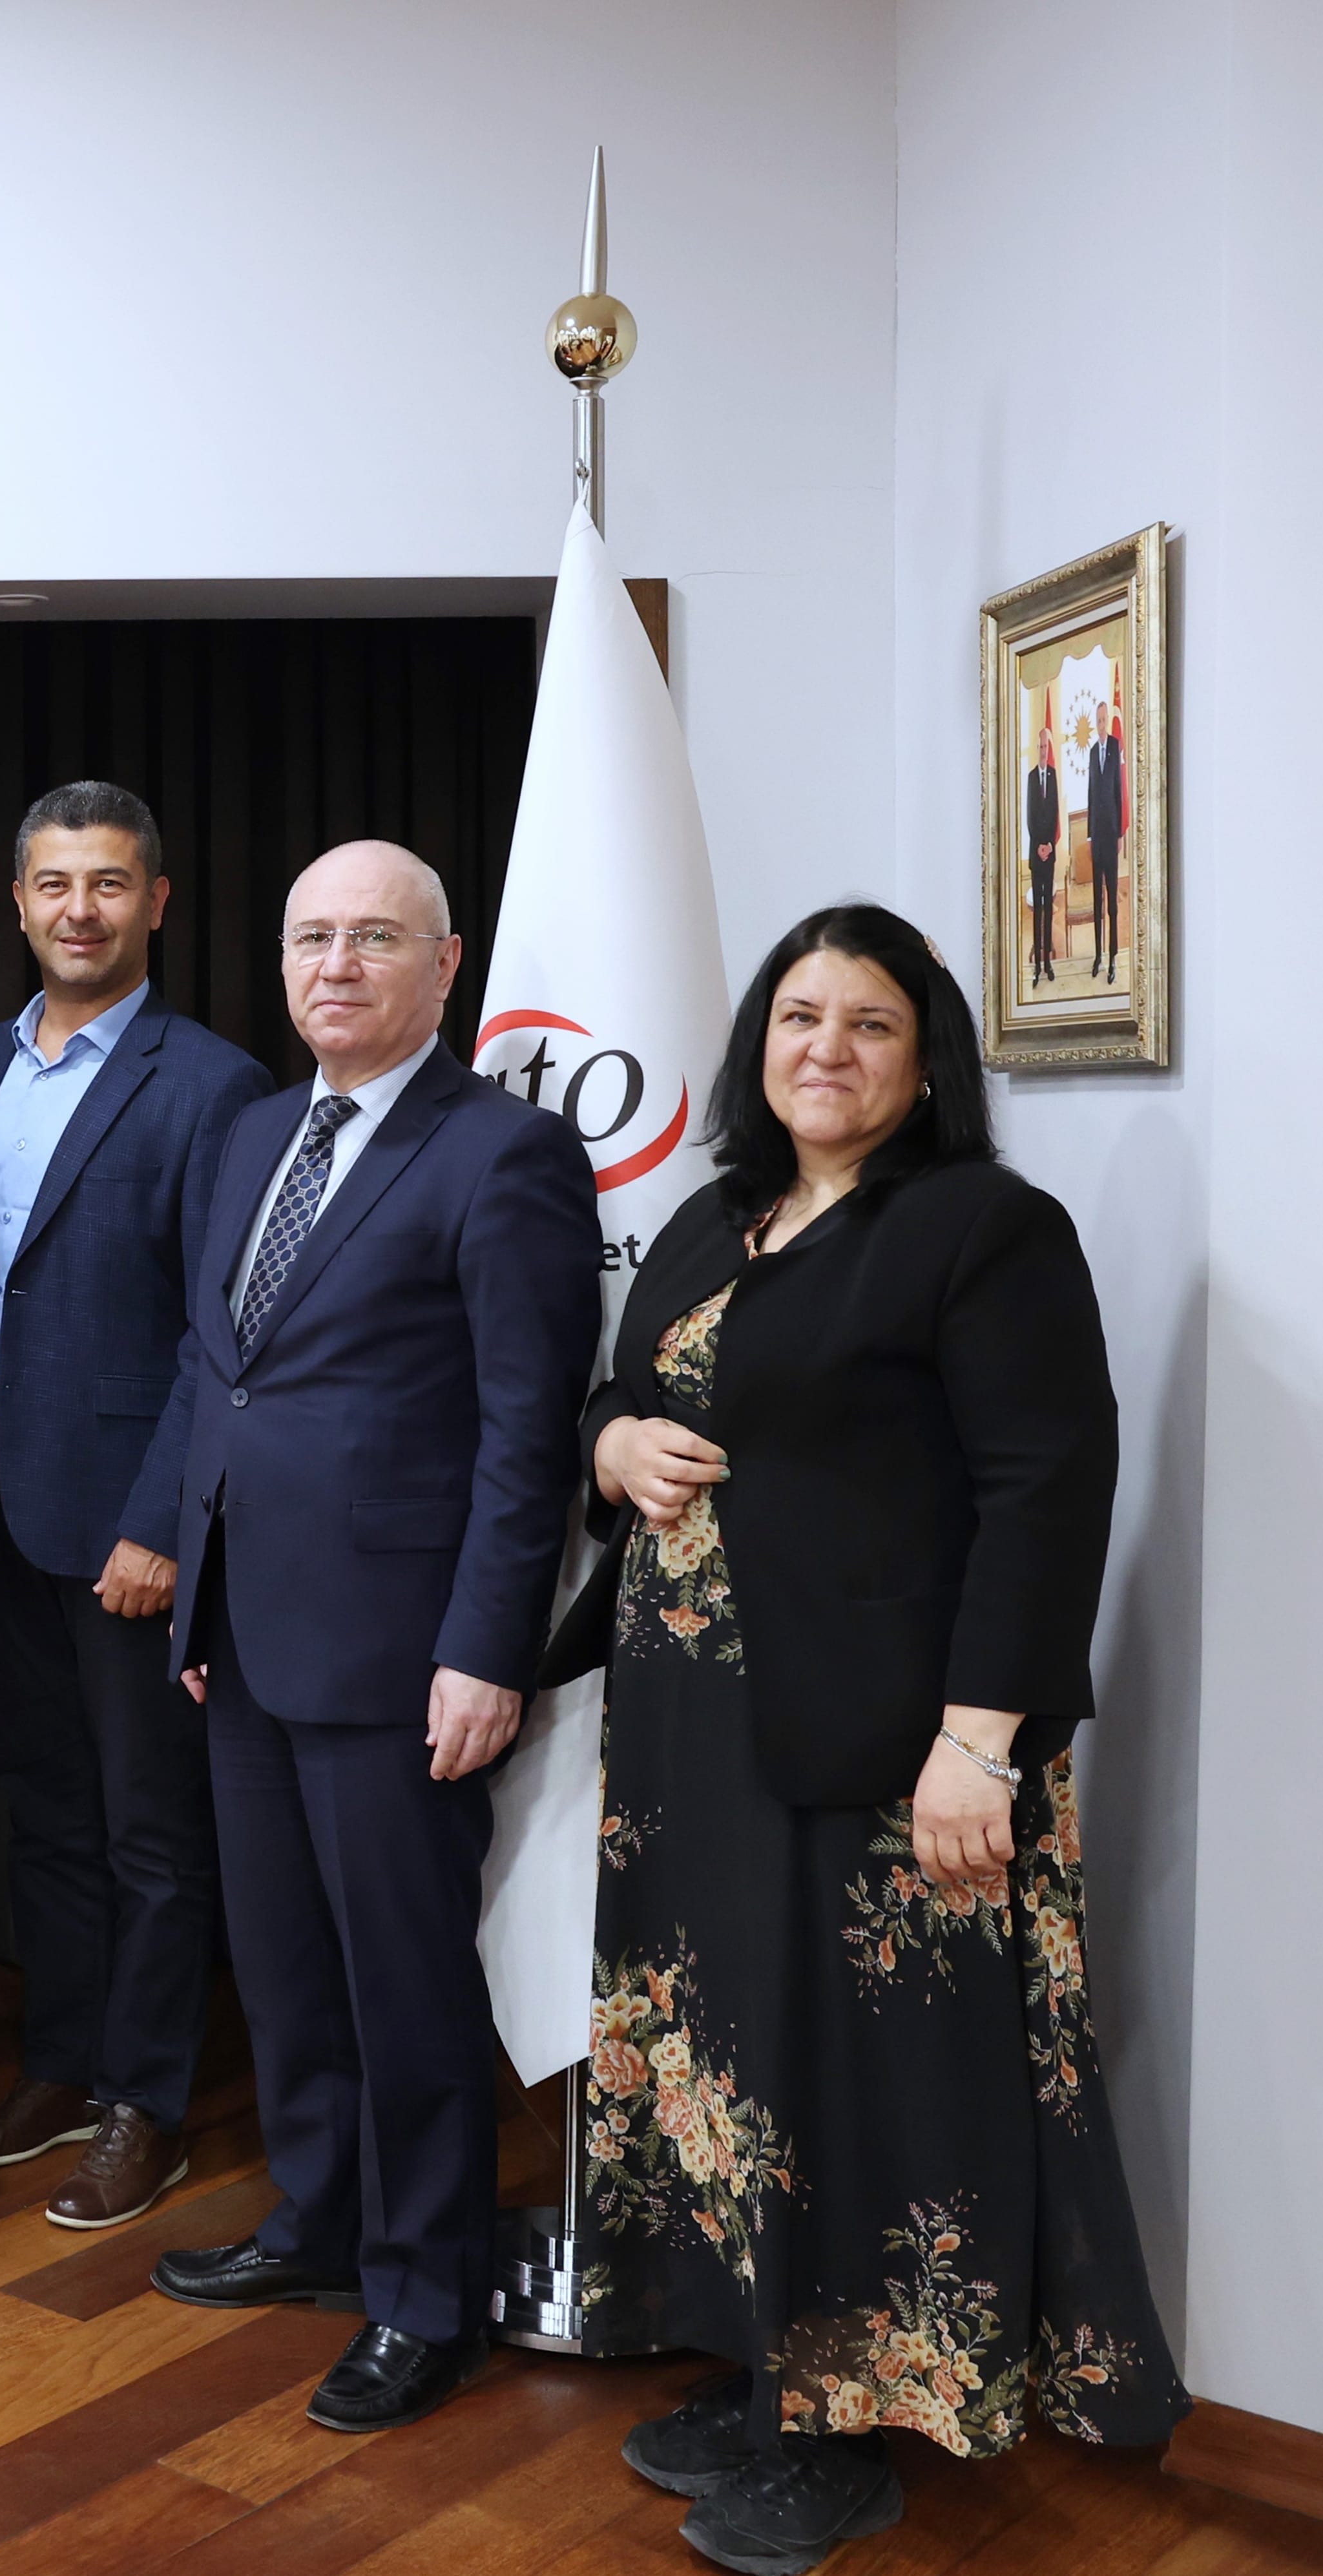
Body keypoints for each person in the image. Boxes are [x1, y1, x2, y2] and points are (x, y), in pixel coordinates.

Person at [574, 904, 1185, 2575]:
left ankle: (855, 2422)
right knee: (732, 2054)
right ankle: (769, 2365)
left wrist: (981, 1742)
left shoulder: (983, 1227)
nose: (825, 1049)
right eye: (799, 1017)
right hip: (693, 1739)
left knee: (861, 2072)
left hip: (883, 1740)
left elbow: (1045, 1486)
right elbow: (623, 1392)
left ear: (925, 1068)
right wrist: (616, 1442)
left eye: (868, 1024)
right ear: (757, 1044)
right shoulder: (716, 1215)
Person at [146, 840, 600, 2433]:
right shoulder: (251, 1133)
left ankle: (426, 2292)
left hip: (404, 1651)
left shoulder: (505, 1154)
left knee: (403, 1983)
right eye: (309, 938)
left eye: (372, 938)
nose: (333, 965)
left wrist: (487, 1647)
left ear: (443, 963)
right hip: (245, 1630)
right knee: (283, 1967)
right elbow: (218, 1369)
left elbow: (527, 1428)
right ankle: (323, 2219)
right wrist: (195, 1580)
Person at [0, 783, 267, 2227]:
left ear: (156, 903)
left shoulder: (212, 1085)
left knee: (150, 1826)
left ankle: (147, 2101)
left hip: (124, 1519)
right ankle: (63, 2059)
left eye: (109, 883)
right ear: (18, 902)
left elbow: (219, 1335)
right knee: (46, 1805)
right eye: (53, 884)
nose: (79, 909)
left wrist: (161, 1522)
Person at [1085, 704, 1127, 980]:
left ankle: (1113, 957)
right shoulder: (1092, 753)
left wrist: (1120, 833)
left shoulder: (1114, 746)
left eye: (1104, 720)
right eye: (1098, 721)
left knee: (1112, 899)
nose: (1101, 725)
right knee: (1097, 900)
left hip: (1112, 835)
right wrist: (1089, 835)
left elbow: (1118, 792)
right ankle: (1098, 955)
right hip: (1097, 837)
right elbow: (1091, 793)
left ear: (1108, 722)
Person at [1021, 749, 1059, 989]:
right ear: (1038, 750)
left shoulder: (1053, 776)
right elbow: (1030, 817)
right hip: (1036, 854)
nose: (1044, 752)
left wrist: (1049, 845)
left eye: (1046, 747)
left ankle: (1048, 963)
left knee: (1048, 909)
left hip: (1049, 852)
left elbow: (1055, 813)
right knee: (1038, 909)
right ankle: (1037, 967)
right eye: (1041, 748)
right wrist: (1038, 846)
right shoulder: (1032, 778)